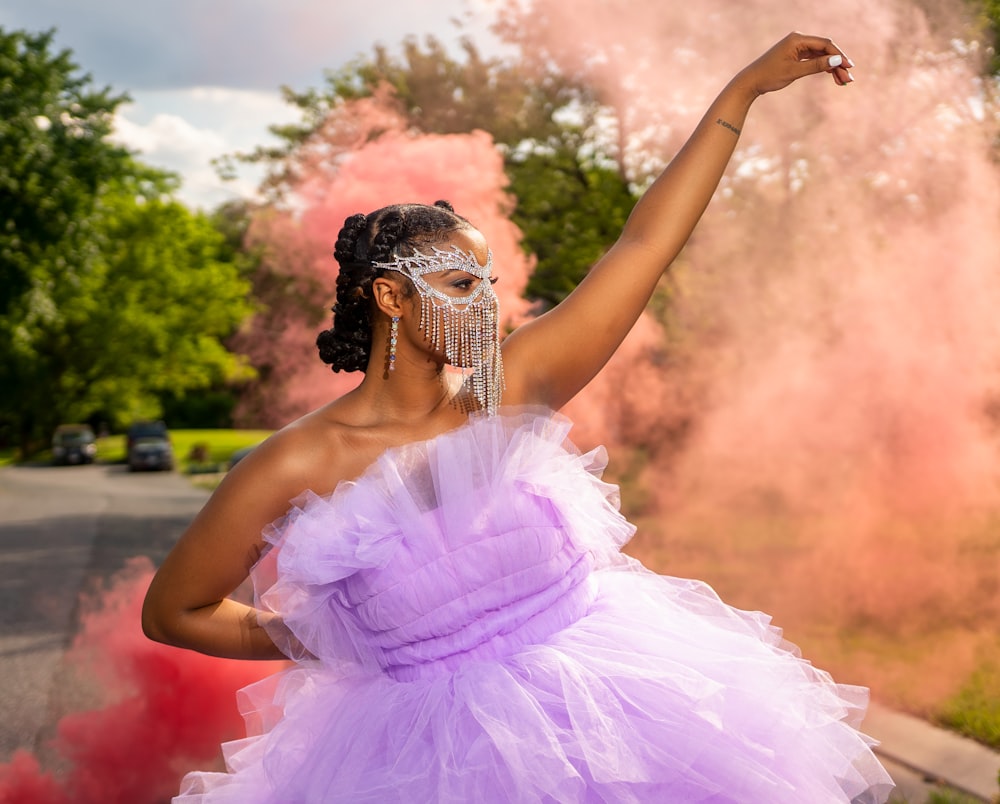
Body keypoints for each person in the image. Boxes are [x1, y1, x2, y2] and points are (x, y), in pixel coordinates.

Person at [143, 32, 895, 803]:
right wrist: (317, 640)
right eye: (463, 283)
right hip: (416, 763)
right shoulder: (292, 463)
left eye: (490, 282)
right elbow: (174, 611)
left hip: (617, 716)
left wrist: (742, 92)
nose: (489, 302)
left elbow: (642, 246)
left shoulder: (507, 393)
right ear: (391, 297)